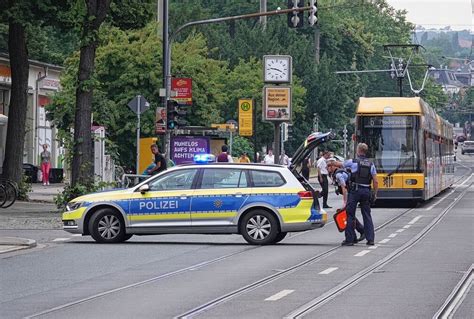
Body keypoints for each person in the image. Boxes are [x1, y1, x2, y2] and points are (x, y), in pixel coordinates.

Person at [342, 143, 378, 246]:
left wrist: (331, 162)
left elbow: (341, 165)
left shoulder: (353, 162)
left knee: (350, 214)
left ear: (358, 151)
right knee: (367, 215)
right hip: (366, 191)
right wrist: (375, 194)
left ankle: (349, 239)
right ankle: (370, 239)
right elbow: (375, 181)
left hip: (355, 191)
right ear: (365, 151)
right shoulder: (371, 164)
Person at [327, 159, 365, 244]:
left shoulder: (338, 175)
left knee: (349, 215)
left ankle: (359, 232)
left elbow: (344, 188)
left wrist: (345, 202)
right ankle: (355, 235)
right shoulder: (337, 173)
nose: (327, 169)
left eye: (328, 167)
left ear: (333, 167)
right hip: (352, 194)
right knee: (350, 215)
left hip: (350, 194)